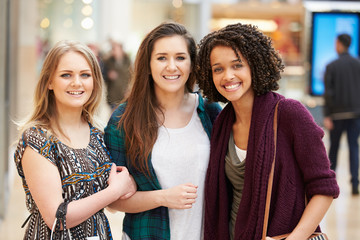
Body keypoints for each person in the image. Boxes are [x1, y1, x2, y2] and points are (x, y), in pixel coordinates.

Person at [196, 23, 340, 240]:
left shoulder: (289, 114)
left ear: (254, 65)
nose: (228, 76)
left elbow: (324, 189)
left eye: (237, 65)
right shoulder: (222, 123)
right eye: (218, 69)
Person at [104, 22, 222, 240]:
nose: (171, 66)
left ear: (192, 63)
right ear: (148, 64)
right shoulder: (124, 119)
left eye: (180, 57)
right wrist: (163, 198)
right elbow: (112, 200)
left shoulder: (210, 112)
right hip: (147, 234)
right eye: (161, 58)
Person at [14, 40, 136, 239]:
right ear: (49, 82)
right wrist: (114, 192)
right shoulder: (37, 139)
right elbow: (57, 218)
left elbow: (115, 197)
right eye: (66, 75)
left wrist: (126, 183)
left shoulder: (97, 133)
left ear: (95, 81)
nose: (77, 83)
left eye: (85, 75)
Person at [323, 33, 360, 195]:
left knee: (334, 149)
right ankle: (354, 184)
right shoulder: (357, 64)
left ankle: (330, 184)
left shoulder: (331, 66)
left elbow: (328, 93)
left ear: (338, 44)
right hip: (355, 114)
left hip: (337, 115)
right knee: (354, 147)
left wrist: (327, 114)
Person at [103, 41, 132, 109]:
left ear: (121, 50)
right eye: (113, 49)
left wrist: (129, 89)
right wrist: (108, 75)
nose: (114, 52)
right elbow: (102, 75)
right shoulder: (108, 61)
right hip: (112, 95)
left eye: (115, 49)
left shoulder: (127, 61)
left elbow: (132, 76)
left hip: (124, 94)